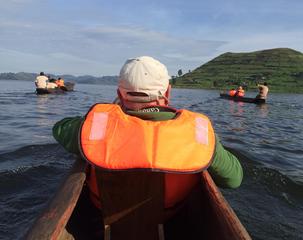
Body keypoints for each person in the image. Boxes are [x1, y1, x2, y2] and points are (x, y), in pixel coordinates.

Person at [53, 56, 243, 212]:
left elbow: (59, 128)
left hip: (102, 211)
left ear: (119, 94)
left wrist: (100, 116)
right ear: (167, 91)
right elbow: (234, 179)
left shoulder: (95, 126)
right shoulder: (198, 132)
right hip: (171, 215)